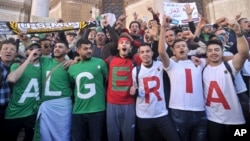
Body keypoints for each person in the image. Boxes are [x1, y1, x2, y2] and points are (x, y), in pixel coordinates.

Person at [158, 15, 207, 141]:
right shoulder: (172, 65)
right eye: (178, 47)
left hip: (200, 111)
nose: (181, 48)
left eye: (183, 46)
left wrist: (194, 37)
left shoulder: (199, 62)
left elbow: (210, 49)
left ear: (188, 49)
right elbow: (162, 52)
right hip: (179, 112)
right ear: (173, 52)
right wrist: (163, 28)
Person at [202, 20, 249, 141]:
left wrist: (238, 33)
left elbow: (243, 53)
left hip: (237, 120)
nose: (213, 53)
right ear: (206, 53)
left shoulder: (230, 66)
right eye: (210, 50)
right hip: (214, 120)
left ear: (222, 52)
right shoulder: (202, 68)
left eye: (217, 50)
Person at [130, 42, 180, 141]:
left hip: (162, 113)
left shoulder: (160, 65)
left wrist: (191, 57)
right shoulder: (136, 70)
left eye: (148, 51)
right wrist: (134, 92)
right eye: (142, 52)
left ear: (152, 53)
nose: (145, 54)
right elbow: (137, 89)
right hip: (143, 115)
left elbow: (173, 59)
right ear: (139, 55)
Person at [68, 39, 108, 141]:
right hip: (78, 110)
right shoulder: (72, 67)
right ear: (78, 50)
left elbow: (107, 80)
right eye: (85, 49)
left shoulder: (100, 63)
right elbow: (71, 84)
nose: (89, 51)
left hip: (97, 109)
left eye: (90, 48)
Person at [33, 40, 73, 141]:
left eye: (60, 47)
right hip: (46, 106)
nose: (57, 49)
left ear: (67, 50)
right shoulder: (45, 61)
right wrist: (25, 40)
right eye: (55, 47)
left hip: (63, 105)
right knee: (44, 134)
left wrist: (75, 60)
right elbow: (31, 51)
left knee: (63, 132)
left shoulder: (70, 65)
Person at [105, 34, 141, 141]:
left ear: (130, 47)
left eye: (127, 43)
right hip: (111, 103)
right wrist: (75, 60)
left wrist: (131, 40)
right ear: (117, 47)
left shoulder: (135, 59)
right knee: (112, 135)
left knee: (129, 135)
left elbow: (146, 48)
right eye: (121, 43)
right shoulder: (110, 59)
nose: (124, 44)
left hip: (129, 103)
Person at [5, 42, 42, 141]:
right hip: (14, 111)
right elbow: (12, 79)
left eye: (37, 49)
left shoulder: (43, 67)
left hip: (32, 112)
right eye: (31, 49)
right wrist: (29, 59)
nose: (34, 51)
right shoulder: (17, 65)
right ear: (26, 51)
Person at [0, 39, 18, 138]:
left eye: (12, 49)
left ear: (16, 53)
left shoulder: (18, 67)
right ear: (0, 51)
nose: (8, 51)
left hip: (10, 110)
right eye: (5, 49)